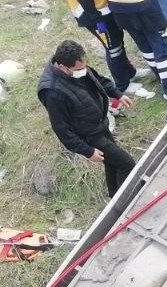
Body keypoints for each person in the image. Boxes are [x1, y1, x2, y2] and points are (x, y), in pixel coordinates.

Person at [38, 40, 137, 195]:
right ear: (64, 67)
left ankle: (115, 197)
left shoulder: (76, 66)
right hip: (89, 136)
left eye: (84, 66)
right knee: (127, 164)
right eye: (79, 68)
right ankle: (127, 200)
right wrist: (87, 151)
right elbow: (61, 128)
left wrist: (117, 94)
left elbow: (98, 81)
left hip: (99, 125)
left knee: (112, 163)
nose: (84, 70)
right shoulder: (52, 91)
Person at [67, 0, 153, 99]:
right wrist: (96, 17)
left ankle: (130, 73)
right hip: (94, 14)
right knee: (113, 49)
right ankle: (122, 85)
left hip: (105, 9)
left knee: (117, 42)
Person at [106, 0, 167, 100]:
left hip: (118, 8)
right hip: (143, 5)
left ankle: (162, 78)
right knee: (163, 45)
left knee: (145, 44)